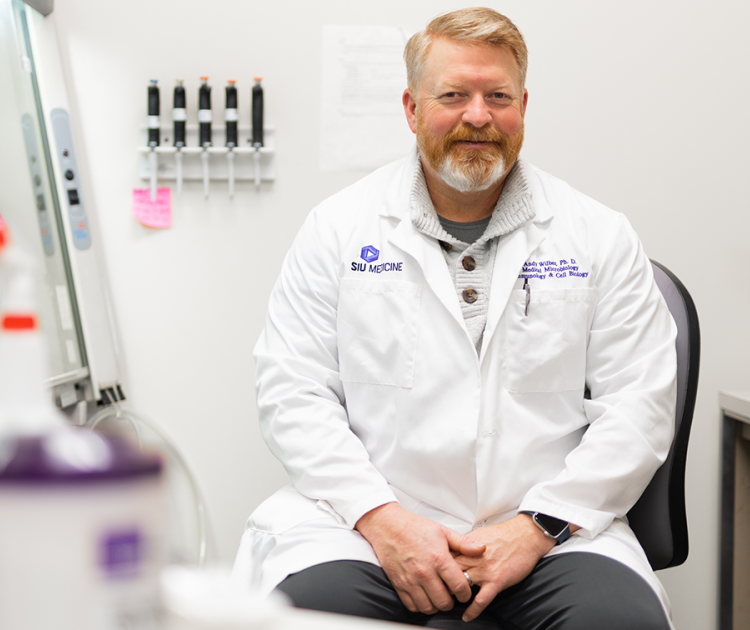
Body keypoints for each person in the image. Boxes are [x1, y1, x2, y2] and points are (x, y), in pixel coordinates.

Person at [232, 7, 677, 629]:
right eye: (453, 95)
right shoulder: (338, 228)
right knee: (310, 616)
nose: (478, 115)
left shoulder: (597, 234)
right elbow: (292, 391)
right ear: (412, 109)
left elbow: (639, 405)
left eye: (498, 96)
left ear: (524, 105)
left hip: (549, 533)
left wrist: (538, 527)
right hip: (369, 530)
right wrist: (381, 518)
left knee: (618, 623)